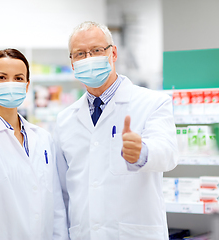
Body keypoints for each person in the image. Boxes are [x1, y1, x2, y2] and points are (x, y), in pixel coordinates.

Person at [54, 21, 178, 240]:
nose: (89, 58)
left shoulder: (153, 102)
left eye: (96, 50)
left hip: (135, 233)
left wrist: (143, 152)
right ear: (72, 63)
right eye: (80, 54)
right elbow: (64, 191)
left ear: (113, 53)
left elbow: (168, 153)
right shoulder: (65, 120)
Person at [0, 49, 69, 240]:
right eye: (2, 77)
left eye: (18, 78)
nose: (11, 84)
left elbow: (55, 202)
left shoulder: (43, 137)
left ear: (27, 85)